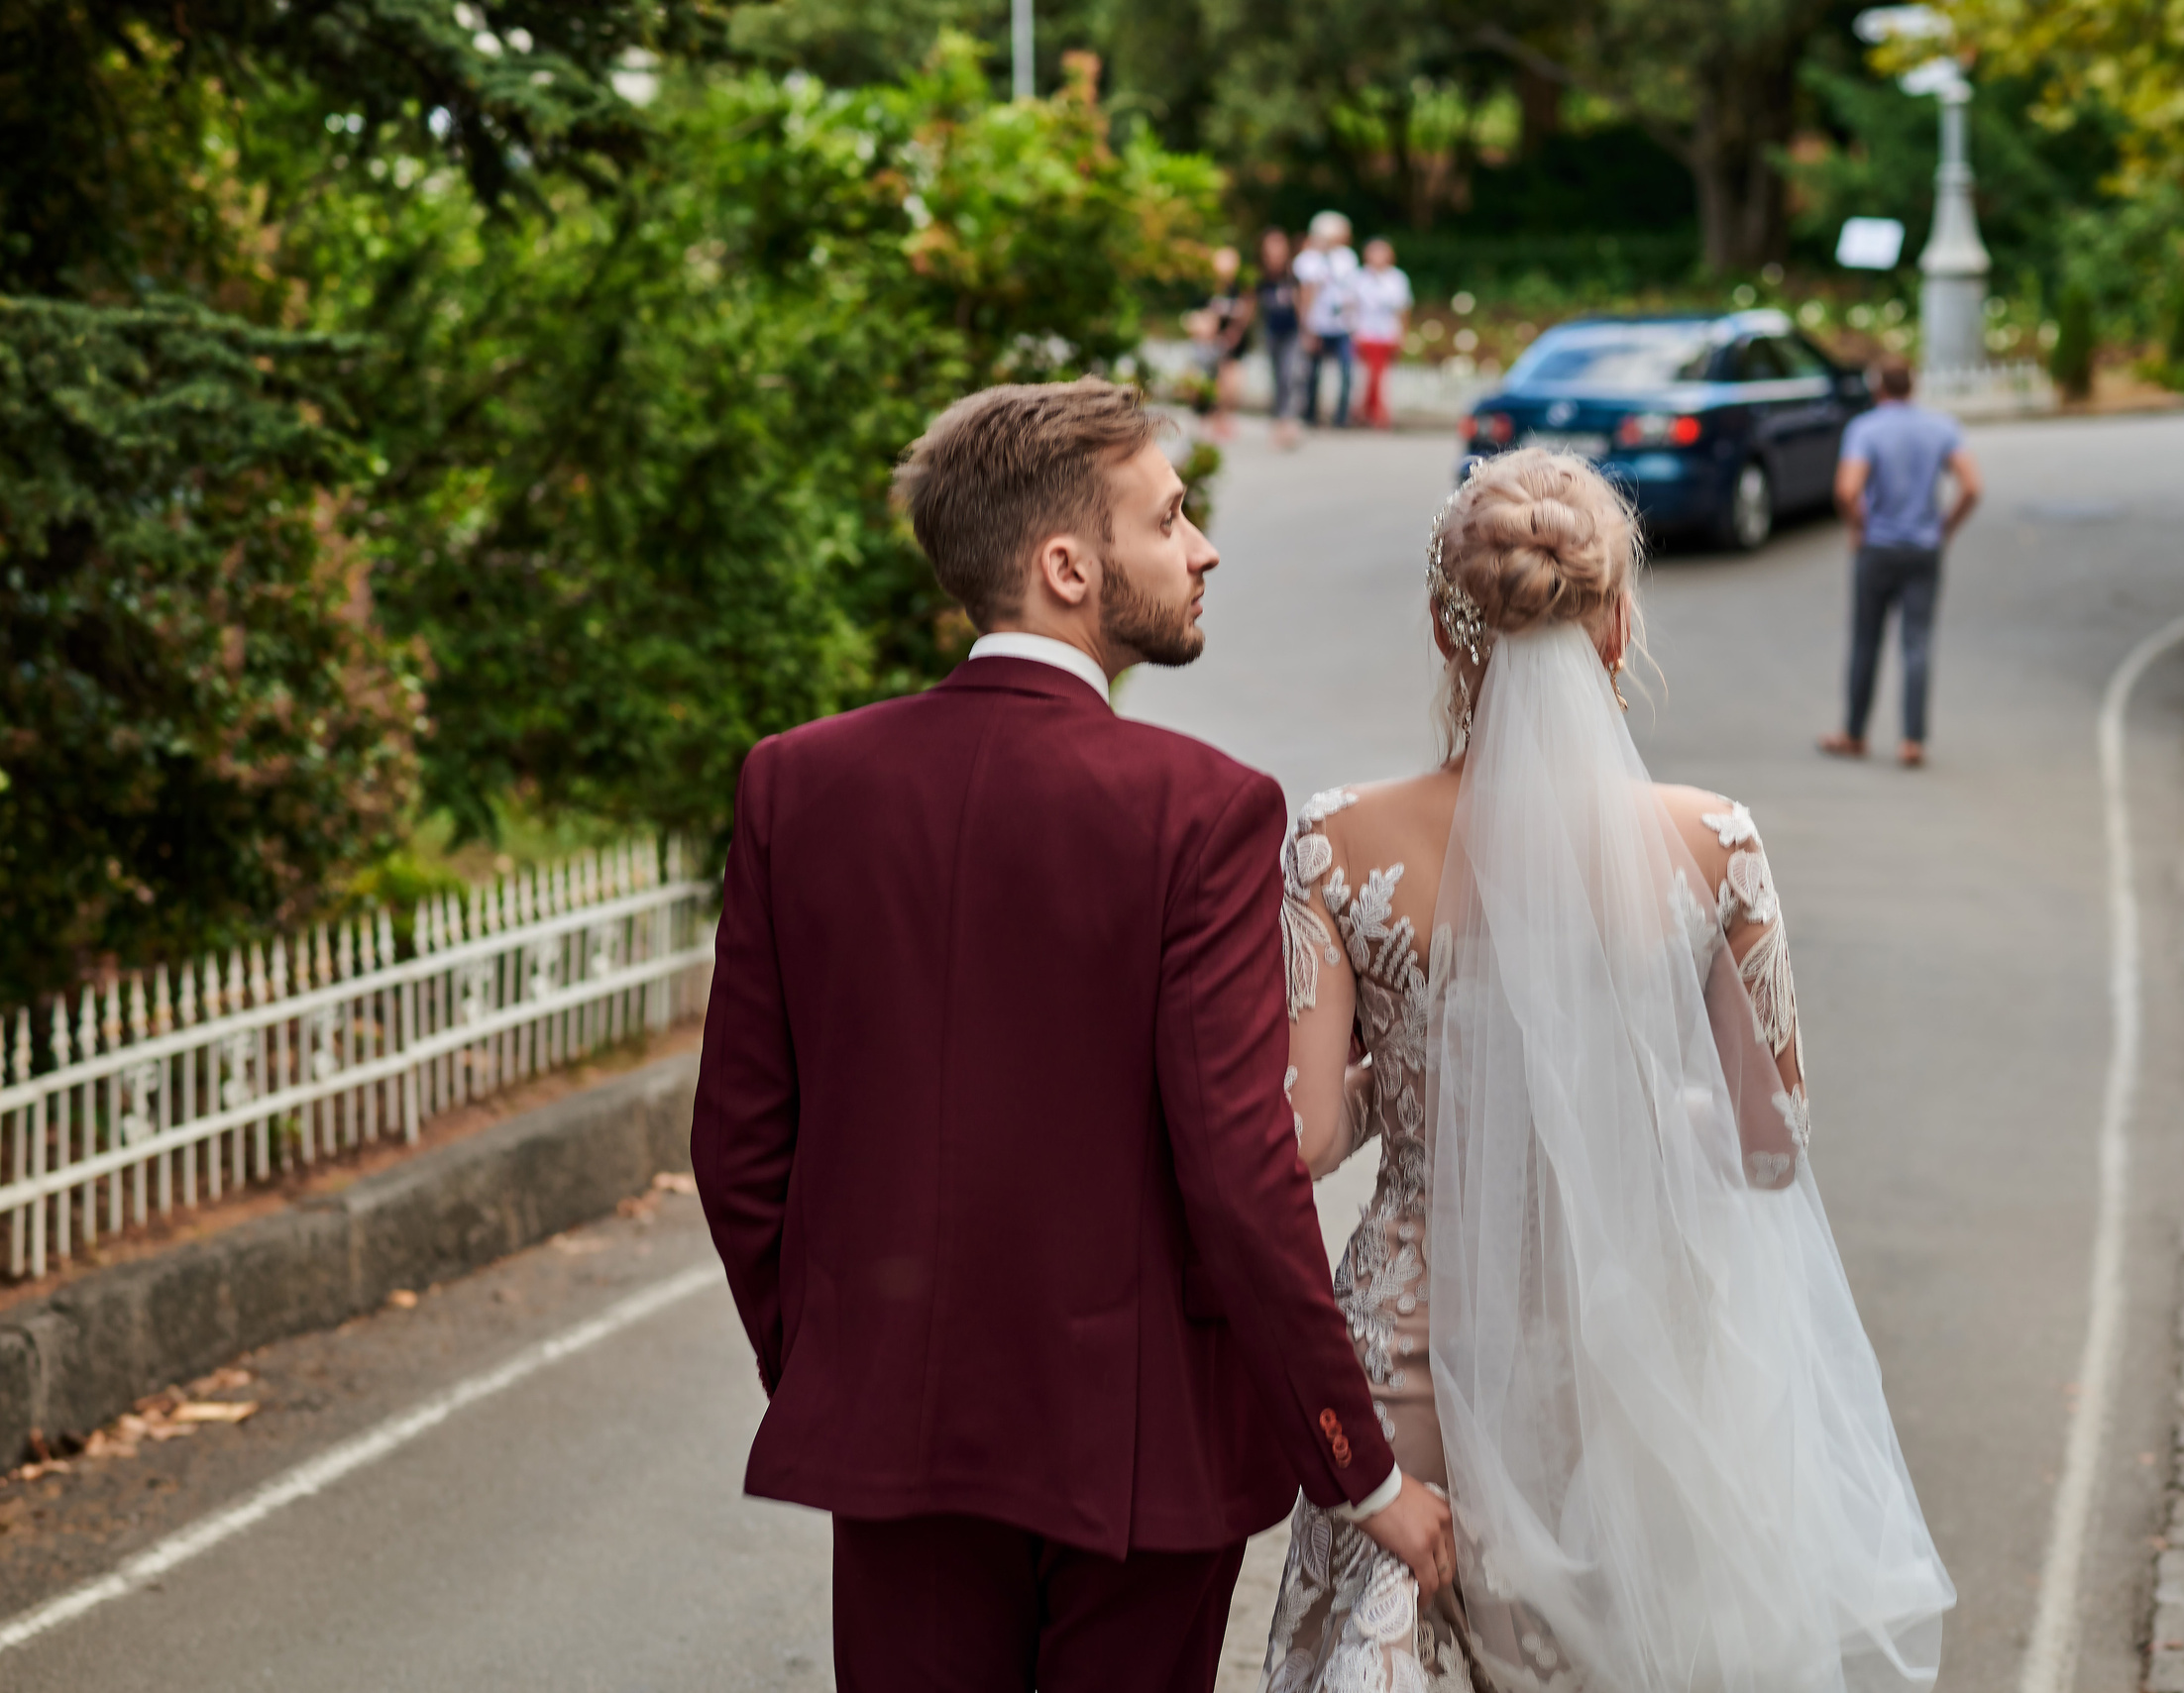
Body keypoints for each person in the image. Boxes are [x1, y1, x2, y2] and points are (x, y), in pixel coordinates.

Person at [692, 378, 1454, 1692]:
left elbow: (739, 1145)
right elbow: (1237, 1168)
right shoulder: (1200, 810)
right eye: (1168, 521)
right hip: (1141, 1463)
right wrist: (1359, 1464)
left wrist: (840, 1369)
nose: (1202, 548)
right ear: (1067, 567)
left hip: (898, 1436)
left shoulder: (796, 781)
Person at [1262, 447, 1953, 1691]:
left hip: (1411, 1351)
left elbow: (1303, 1135)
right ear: (1618, 620)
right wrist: (1645, 1094)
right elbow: (1769, 1140)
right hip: (1630, 1356)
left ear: (1443, 624)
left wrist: (1423, 1077)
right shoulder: (1714, 842)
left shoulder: (1330, 839)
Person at [1817, 359, 1981, 769]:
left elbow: (1846, 489)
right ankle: (1912, 740)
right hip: (1924, 549)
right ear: (1913, 386)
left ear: (1878, 388)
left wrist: (1858, 526)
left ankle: (1854, 733)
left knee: (1866, 641)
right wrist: (1947, 526)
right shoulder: (1942, 427)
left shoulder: (1866, 429)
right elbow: (1973, 486)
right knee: (1917, 643)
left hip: (1879, 548)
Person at [1293, 210, 1359, 428]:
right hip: (1317, 324)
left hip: (1342, 324)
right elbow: (1305, 294)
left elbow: (1352, 289)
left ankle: (1341, 416)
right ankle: (1310, 413)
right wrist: (1306, 326)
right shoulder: (1308, 259)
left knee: (1346, 370)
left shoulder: (1347, 257)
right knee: (1313, 371)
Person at [1184, 245, 1253, 443]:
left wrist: (1234, 334)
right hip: (1208, 346)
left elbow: (1245, 316)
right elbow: (1192, 317)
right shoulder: (1206, 289)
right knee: (1202, 384)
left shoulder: (1240, 289)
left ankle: (1222, 417)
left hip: (1231, 345)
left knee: (1230, 384)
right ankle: (1205, 417)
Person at [1350, 237, 1412, 429]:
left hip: (1386, 334)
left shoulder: (1397, 278)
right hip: (1364, 333)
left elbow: (1403, 309)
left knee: (1380, 377)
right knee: (1366, 376)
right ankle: (1367, 413)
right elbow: (1352, 307)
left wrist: (1402, 335)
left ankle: (1375, 414)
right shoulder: (1359, 277)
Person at [1255, 228, 1305, 450]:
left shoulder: (1293, 274)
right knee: (1277, 377)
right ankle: (1279, 419)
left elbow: (1302, 305)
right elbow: (1251, 304)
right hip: (1271, 332)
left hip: (1291, 333)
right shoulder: (1261, 276)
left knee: (1290, 374)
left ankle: (1289, 419)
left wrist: (1307, 331)